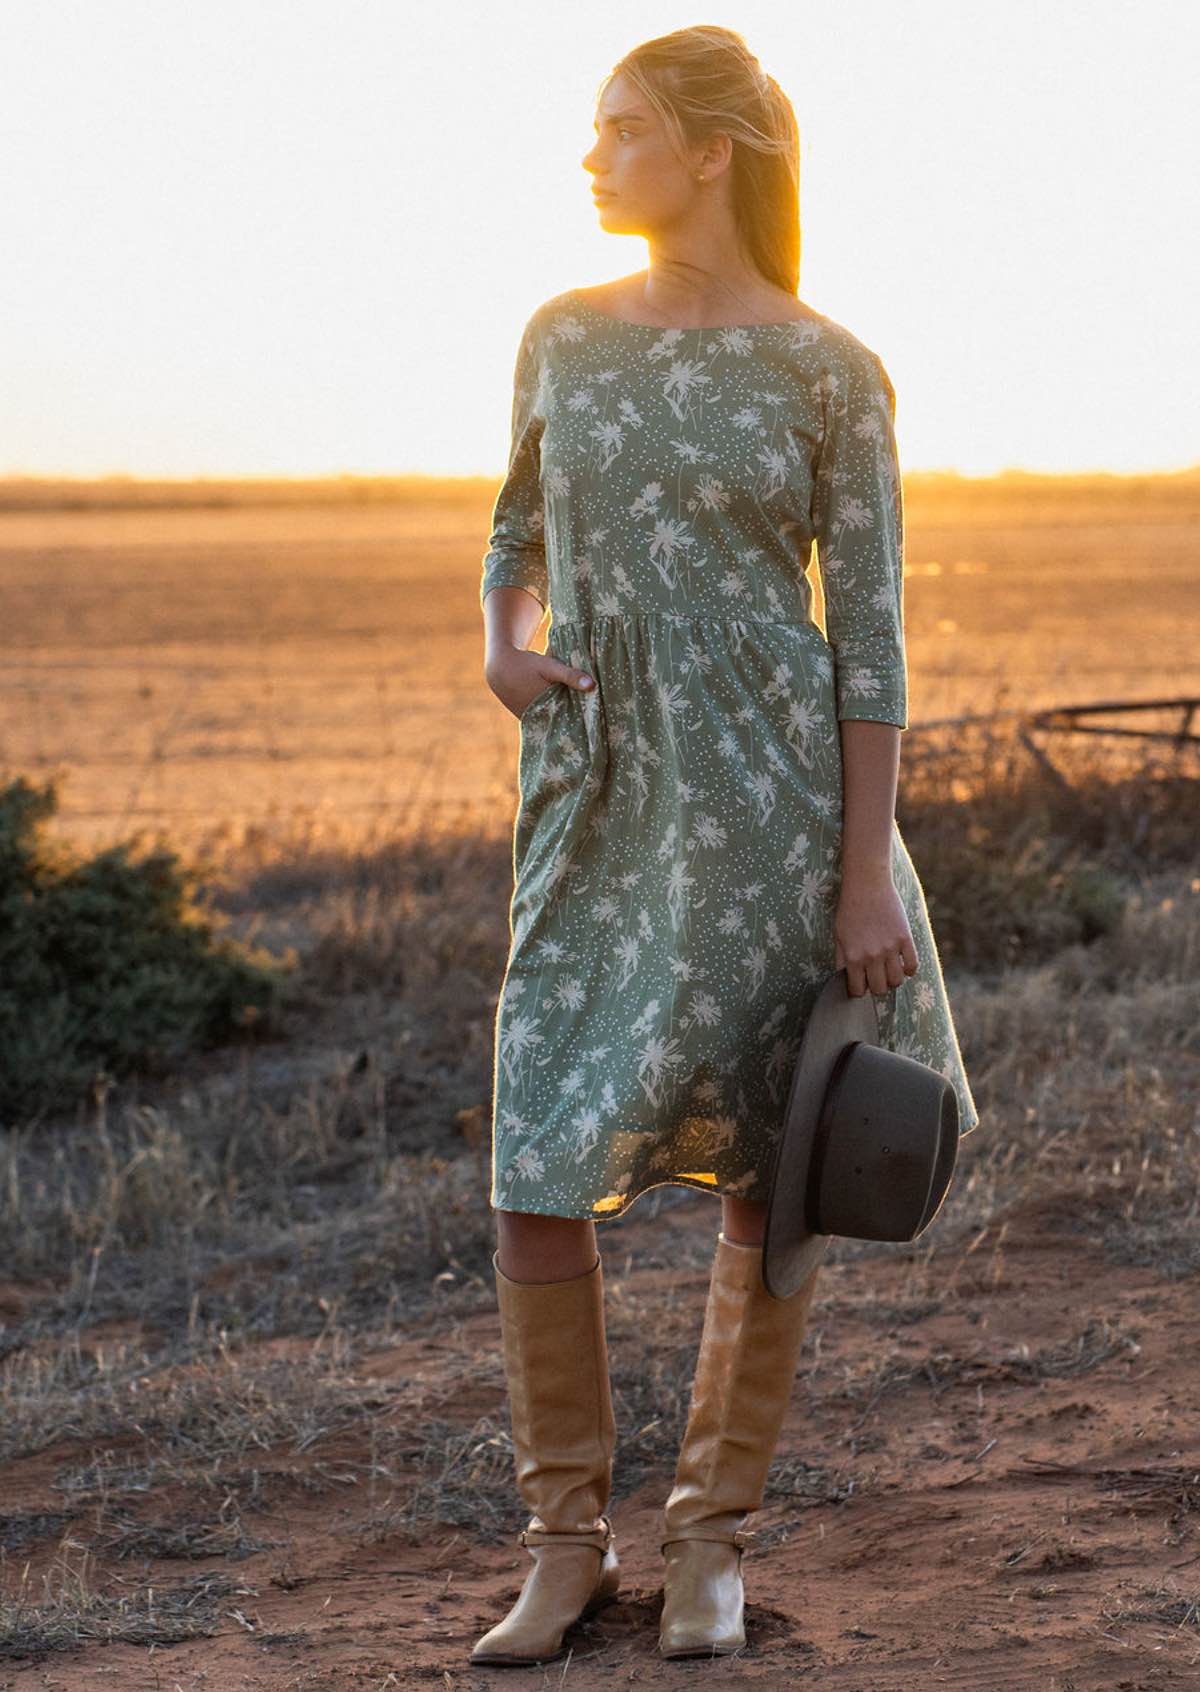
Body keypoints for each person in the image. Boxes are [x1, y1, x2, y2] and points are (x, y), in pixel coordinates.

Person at [472, 24, 980, 1666]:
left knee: (775, 1172)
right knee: (535, 1165)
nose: (590, 157)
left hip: (780, 817)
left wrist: (859, 872)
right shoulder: (561, 334)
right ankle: (564, 1551)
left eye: (618, 130)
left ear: (712, 153)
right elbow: (515, 523)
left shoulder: (832, 369)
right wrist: (503, 636)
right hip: (601, 803)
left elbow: (871, 644)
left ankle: (706, 1546)